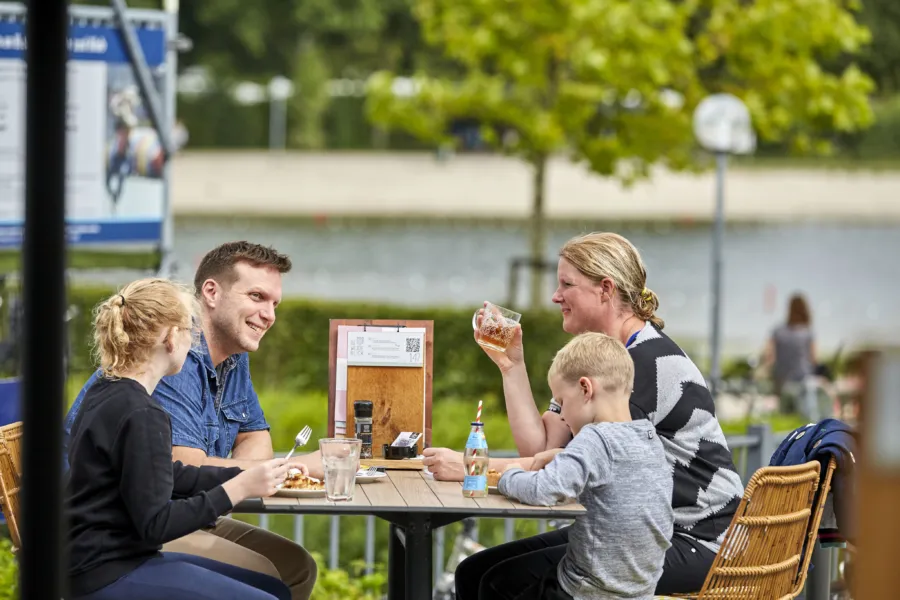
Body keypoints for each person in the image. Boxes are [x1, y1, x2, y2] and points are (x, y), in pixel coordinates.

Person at [426, 232, 744, 597]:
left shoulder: (641, 367)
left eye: (566, 284)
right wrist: (511, 365)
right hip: (636, 530)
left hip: (699, 539)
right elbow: (542, 445)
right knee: (477, 571)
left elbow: (556, 469)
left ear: (605, 289)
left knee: (500, 582)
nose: (555, 296)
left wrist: (473, 468)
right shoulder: (602, 358)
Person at [64, 242, 318, 599]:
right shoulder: (143, 412)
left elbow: (171, 476)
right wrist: (239, 487)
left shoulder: (114, 393)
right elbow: (155, 524)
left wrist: (246, 474)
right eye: (189, 330)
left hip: (109, 551)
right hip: (109, 566)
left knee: (273, 585)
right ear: (170, 339)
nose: (195, 338)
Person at [497, 332, 673, 600]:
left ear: (585, 388)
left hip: (585, 591)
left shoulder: (595, 437)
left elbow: (544, 490)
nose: (563, 416)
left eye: (562, 402)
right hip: (637, 592)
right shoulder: (649, 438)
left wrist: (506, 475)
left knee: (491, 582)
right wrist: (560, 457)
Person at [763, 293, 817, 411]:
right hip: (803, 380)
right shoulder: (807, 333)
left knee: (784, 412)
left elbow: (769, 357)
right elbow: (814, 359)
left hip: (781, 381)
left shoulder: (778, 331)